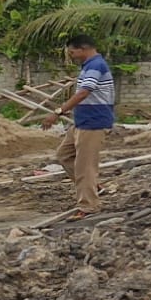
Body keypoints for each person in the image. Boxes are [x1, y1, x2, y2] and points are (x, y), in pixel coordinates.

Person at [41, 34, 115, 219]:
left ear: (83, 48)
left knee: (85, 168)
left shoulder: (96, 66)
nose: (71, 55)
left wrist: (57, 112)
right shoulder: (89, 67)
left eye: (72, 52)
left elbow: (83, 94)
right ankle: (93, 188)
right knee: (64, 155)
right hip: (82, 122)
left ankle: (89, 206)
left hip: (93, 123)